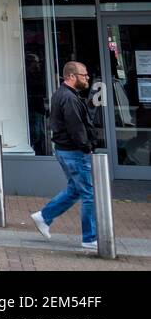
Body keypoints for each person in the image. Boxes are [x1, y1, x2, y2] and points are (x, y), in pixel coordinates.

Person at [31, 61, 98, 251]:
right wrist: (86, 147)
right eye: (83, 75)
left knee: (76, 189)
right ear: (71, 76)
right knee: (88, 194)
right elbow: (76, 127)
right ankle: (90, 237)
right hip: (74, 152)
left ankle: (44, 216)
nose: (87, 78)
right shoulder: (68, 98)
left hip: (66, 150)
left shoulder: (66, 95)